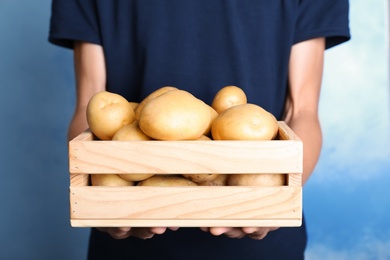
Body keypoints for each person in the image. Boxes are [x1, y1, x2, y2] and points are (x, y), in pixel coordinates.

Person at [48, 1, 350, 259]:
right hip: (128, 233)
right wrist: (99, 199)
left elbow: (303, 111)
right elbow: (88, 111)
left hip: (260, 242)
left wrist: (275, 202)